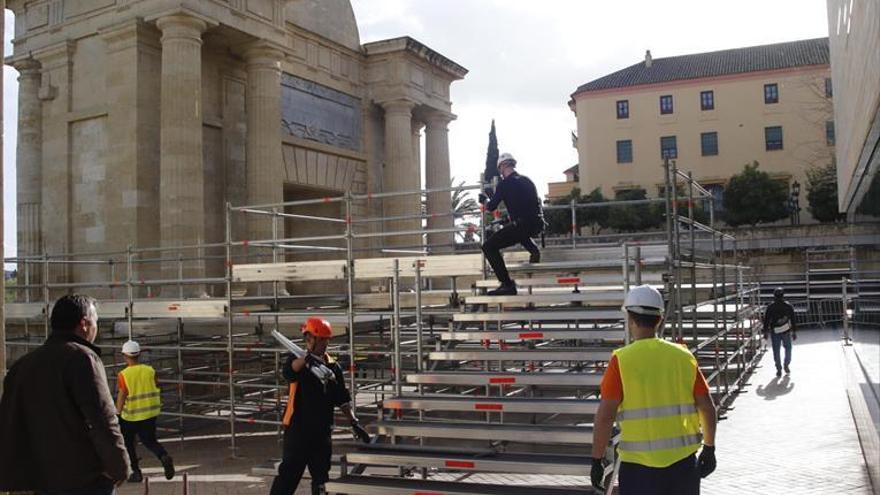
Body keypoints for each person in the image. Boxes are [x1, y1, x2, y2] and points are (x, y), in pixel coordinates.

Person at [590, 285, 717, 495]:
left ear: (630, 319)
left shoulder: (621, 361)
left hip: (638, 470)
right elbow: (707, 406)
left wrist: (596, 459)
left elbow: (605, 417)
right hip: (683, 466)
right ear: (659, 319)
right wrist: (710, 448)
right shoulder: (684, 357)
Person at [0, 294, 131, 494]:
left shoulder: (21, 366)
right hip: (83, 480)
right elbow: (102, 419)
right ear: (84, 323)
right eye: (96, 322)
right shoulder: (82, 358)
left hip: (38, 480)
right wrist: (119, 467)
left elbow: (10, 424)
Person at [270, 317, 371, 495]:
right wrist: (307, 359)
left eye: (326, 339)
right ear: (309, 339)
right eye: (321, 339)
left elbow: (342, 398)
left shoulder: (332, 366)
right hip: (298, 430)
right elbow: (289, 372)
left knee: (321, 479)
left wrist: (353, 421)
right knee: (288, 476)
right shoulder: (297, 360)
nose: (325, 343)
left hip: (322, 432)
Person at [480, 152, 544, 296]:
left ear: (502, 167)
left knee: (488, 247)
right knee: (517, 230)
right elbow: (525, 207)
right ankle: (534, 250)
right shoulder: (527, 180)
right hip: (536, 224)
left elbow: (491, 207)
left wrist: (484, 200)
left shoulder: (505, 184)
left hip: (522, 225)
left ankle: (507, 284)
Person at [115, 340, 175, 482]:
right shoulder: (150, 370)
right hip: (149, 413)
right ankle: (163, 455)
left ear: (125, 356)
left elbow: (122, 394)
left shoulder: (124, 374)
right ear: (139, 354)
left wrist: (117, 413)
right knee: (150, 441)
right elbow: (157, 386)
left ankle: (136, 472)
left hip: (130, 416)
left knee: (128, 443)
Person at [762, 287, 797, 377]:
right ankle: (786, 364)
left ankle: (778, 368)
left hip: (775, 331)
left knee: (776, 350)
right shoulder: (788, 306)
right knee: (788, 348)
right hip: (786, 331)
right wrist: (794, 331)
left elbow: (766, 320)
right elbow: (793, 319)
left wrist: (765, 332)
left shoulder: (770, 307)